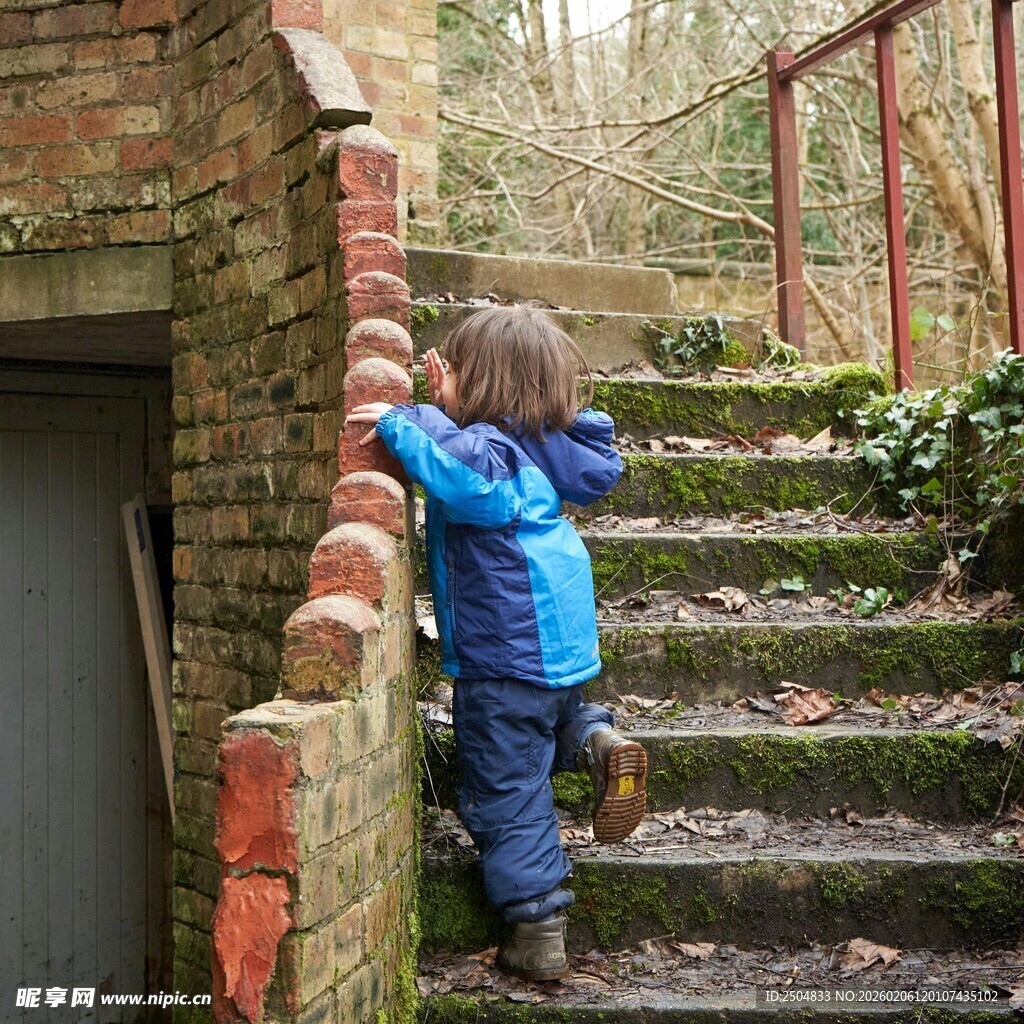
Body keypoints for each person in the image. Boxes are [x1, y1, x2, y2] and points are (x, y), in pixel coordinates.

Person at [345, 305, 647, 983]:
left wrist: (409, 417)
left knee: (505, 786)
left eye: (452, 370)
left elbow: (463, 478)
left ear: (480, 384)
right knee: (549, 718)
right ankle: (595, 741)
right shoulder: (544, 444)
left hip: (506, 650)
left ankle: (536, 926)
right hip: (558, 645)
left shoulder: (486, 447)